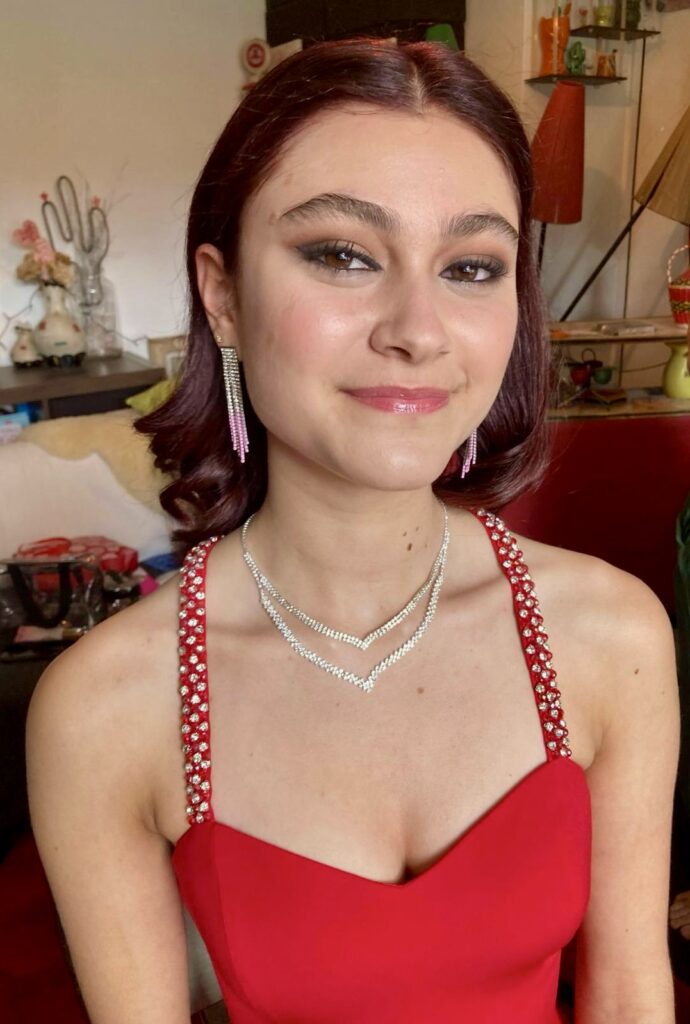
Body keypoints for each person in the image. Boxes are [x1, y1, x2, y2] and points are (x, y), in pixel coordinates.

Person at [26, 39, 679, 1023]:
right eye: (341, 253)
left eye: (470, 265)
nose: (418, 328)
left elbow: (631, 994)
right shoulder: (109, 706)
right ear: (223, 292)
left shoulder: (610, 635)